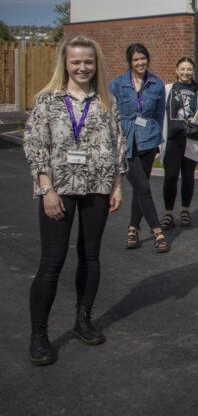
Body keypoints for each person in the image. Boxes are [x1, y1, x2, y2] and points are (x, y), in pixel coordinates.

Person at [23, 36, 127, 365]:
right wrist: (46, 189)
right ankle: (39, 333)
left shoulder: (106, 101)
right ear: (65, 64)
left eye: (88, 62)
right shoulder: (47, 101)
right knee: (52, 263)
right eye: (76, 62)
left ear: (96, 64)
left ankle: (83, 319)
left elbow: (117, 143)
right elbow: (35, 144)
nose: (82, 68)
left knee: (90, 257)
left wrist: (117, 184)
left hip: (97, 187)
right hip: (60, 189)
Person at [109, 43, 168, 252]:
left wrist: (158, 140)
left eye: (143, 58)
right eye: (135, 59)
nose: (140, 62)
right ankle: (157, 230)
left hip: (149, 141)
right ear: (130, 62)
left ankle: (133, 229)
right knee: (143, 187)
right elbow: (110, 114)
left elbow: (160, 115)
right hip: (126, 142)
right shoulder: (117, 84)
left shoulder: (156, 84)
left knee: (139, 188)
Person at [159, 57, 198, 230]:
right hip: (172, 138)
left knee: (188, 176)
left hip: (191, 139)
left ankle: (185, 210)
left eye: (189, 69)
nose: (186, 72)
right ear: (176, 70)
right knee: (171, 176)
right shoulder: (167, 90)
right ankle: (168, 213)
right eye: (182, 69)